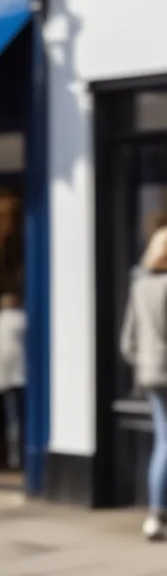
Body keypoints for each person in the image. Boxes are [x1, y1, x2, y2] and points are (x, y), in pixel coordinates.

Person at [121, 226, 167, 540]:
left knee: (163, 443)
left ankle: (154, 514)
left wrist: (145, 362)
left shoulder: (139, 287)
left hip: (150, 375)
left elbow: (127, 342)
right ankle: (155, 512)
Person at [0, 293, 27, 471]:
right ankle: (17, 457)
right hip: (20, 376)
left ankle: (16, 458)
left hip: (12, 377)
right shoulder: (21, 318)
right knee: (17, 420)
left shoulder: (0, 320)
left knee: (14, 420)